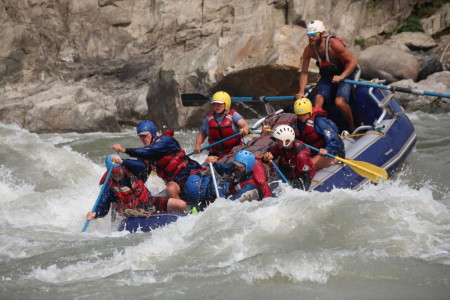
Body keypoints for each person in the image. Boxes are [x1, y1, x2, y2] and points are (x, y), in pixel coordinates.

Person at [111, 120, 202, 199]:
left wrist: (124, 150)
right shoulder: (144, 153)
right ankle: (183, 212)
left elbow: (151, 151)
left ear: (153, 133)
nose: (143, 138)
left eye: (145, 135)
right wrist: (122, 161)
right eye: (140, 136)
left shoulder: (165, 141)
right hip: (175, 182)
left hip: (189, 173)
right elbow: (141, 168)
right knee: (169, 189)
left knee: (188, 188)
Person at [296, 20, 358, 131]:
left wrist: (342, 76)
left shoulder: (333, 45)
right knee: (317, 101)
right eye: (309, 35)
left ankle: (352, 127)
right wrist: (301, 91)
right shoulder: (309, 50)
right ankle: (322, 130)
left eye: (314, 35)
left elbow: (353, 61)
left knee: (339, 102)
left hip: (344, 74)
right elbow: (304, 72)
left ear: (322, 34)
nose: (311, 38)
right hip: (327, 76)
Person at [86, 154, 186, 222]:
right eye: (113, 172)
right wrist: (95, 214)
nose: (116, 174)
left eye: (118, 171)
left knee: (181, 205)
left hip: (149, 202)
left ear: (122, 167)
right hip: (130, 214)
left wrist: (122, 161)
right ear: (108, 171)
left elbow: (142, 166)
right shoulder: (109, 186)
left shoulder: (131, 169)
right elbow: (103, 204)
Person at [194, 91, 250, 157]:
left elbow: (245, 125)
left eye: (220, 104)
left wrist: (244, 129)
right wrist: (197, 145)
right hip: (215, 153)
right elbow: (202, 134)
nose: (217, 106)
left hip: (234, 150)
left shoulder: (233, 115)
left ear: (226, 104)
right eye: (214, 104)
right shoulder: (208, 118)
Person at [294, 98, 344, 170]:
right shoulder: (299, 123)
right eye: (299, 115)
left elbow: (335, 141)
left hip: (331, 152)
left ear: (309, 112)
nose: (302, 117)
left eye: (304, 114)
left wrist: (327, 150)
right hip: (315, 152)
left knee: (306, 167)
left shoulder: (319, 121)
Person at [262, 125, 316, 190]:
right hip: (286, 175)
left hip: (299, 177)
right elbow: (269, 157)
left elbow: (305, 177)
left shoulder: (301, 155)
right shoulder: (283, 146)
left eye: (278, 140)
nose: (276, 142)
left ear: (287, 141)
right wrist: (266, 157)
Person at [205, 150, 273, 202]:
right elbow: (224, 168)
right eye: (236, 164)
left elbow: (235, 202)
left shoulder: (250, 187)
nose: (236, 167)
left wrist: (221, 203)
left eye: (239, 166)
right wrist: (214, 163)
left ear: (247, 167)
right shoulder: (238, 168)